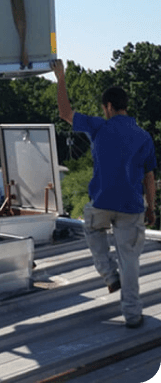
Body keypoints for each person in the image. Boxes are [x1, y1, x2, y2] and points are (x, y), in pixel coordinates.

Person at [52, 59, 156, 329]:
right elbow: (149, 177)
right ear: (125, 106)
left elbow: (65, 113)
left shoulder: (99, 126)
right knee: (130, 260)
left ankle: (109, 274)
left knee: (90, 226)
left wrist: (61, 77)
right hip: (132, 206)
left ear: (108, 107)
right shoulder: (143, 136)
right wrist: (152, 208)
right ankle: (132, 315)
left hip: (102, 202)